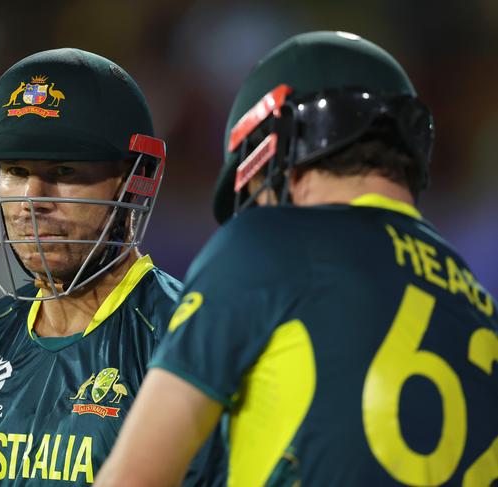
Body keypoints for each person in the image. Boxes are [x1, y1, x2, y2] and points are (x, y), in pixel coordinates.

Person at [96, 31, 498, 486]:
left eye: (251, 190)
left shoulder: (265, 242)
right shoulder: (478, 302)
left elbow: (133, 477)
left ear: (275, 147)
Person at [0, 48, 225, 486]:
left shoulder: (184, 336)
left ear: (134, 179)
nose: (33, 199)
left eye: (63, 170)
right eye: (15, 170)